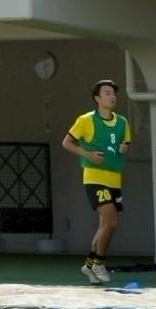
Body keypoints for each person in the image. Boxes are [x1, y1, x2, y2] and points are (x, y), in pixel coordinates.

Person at [62, 80, 134, 285]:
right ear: (97, 98)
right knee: (111, 221)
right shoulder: (86, 120)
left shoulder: (122, 122)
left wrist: (124, 148)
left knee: (105, 226)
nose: (112, 97)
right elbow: (66, 143)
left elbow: (125, 144)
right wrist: (87, 154)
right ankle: (99, 263)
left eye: (114, 93)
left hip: (114, 178)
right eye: (107, 93)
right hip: (95, 177)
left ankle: (89, 264)